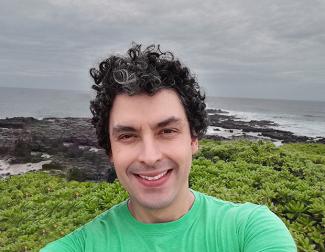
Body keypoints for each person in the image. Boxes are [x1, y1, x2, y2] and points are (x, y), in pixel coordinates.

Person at [41, 43, 296, 251]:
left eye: (167, 131)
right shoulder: (79, 246)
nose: (150, 157)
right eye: (128, 136)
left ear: (193, 139)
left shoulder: (250, 230)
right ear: (110, 151)